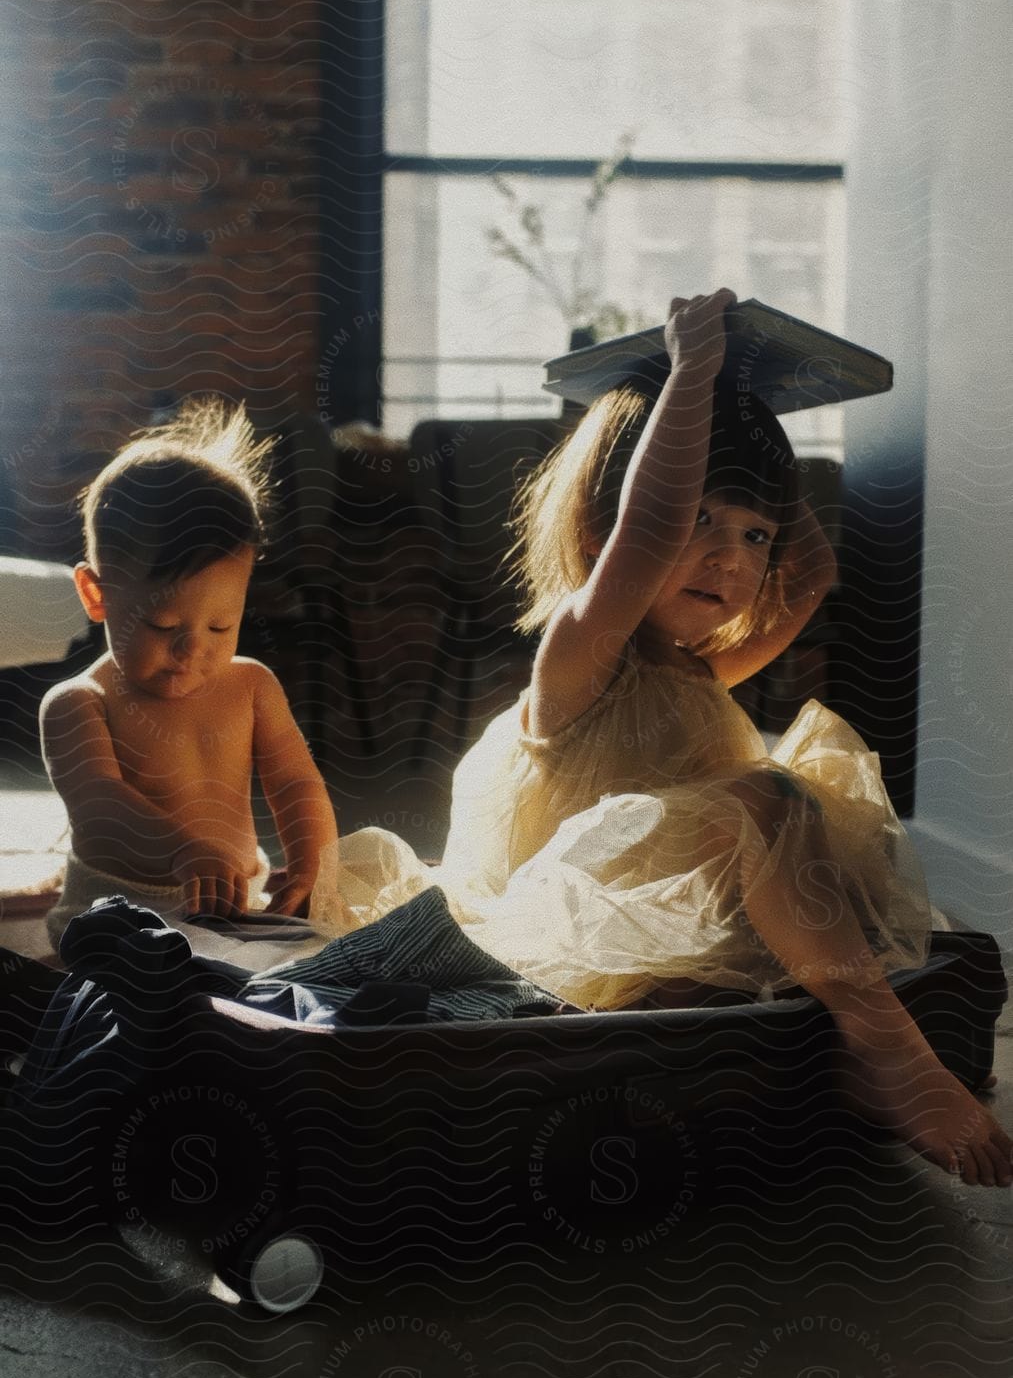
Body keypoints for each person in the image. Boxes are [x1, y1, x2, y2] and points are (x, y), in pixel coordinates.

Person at [426, 288, 1009, 1186]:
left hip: (681, 906)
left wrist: (755, 408)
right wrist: (693, 373)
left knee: (805, 828)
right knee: (769, 793)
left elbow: (810, 572)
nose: (729, 557)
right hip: (574, 906)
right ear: (598, 531)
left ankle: (821, 1046)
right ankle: (885, 1044)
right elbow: (645, 528)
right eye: (701, 521)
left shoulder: (705, 673)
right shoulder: (581, 652)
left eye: (751, 534)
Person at [40, 399, 344, 949]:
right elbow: (99, 804)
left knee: (331, 961)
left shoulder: (251, 686)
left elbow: (295, 782)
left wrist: (308, 862)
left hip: (236, 906)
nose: (191, 651)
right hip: (120, 913)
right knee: (134, 997)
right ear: (96, 593)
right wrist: (182, 850)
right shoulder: (79, 703)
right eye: (162, 625)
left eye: (221, 627)